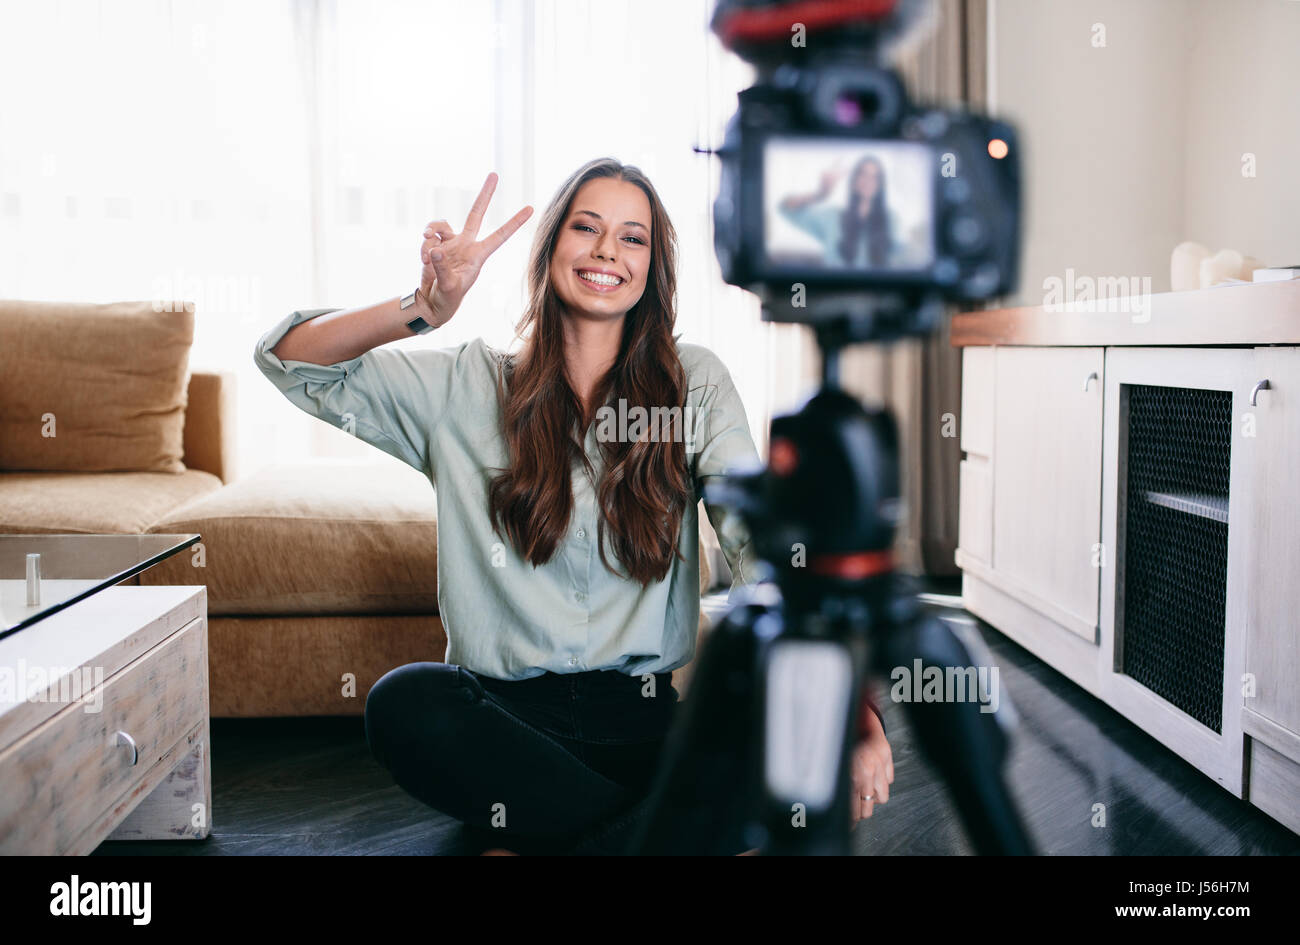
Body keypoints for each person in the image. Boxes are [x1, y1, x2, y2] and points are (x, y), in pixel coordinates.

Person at [253, 157, 893, 855]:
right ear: (552, 246)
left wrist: (852, 708)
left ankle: (536, 837)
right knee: (403, 703)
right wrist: (422, 308)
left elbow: (758, 544)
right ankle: (644, 836)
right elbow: (289, 359)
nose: (606, 251)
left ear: (653, 267)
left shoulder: (695, 382)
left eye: (632, 237)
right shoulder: (464, 385)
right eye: (585, 227)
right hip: (503, 726)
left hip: (645, 727)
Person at [777, 155, 896, 269]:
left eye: (875, 177)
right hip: (837, 289)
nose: (868, 181)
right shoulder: (833, 218)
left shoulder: (891, 220)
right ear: (854, 180)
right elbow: (785, 208)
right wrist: (820, 193)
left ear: (880, 184)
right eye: (863, 174)